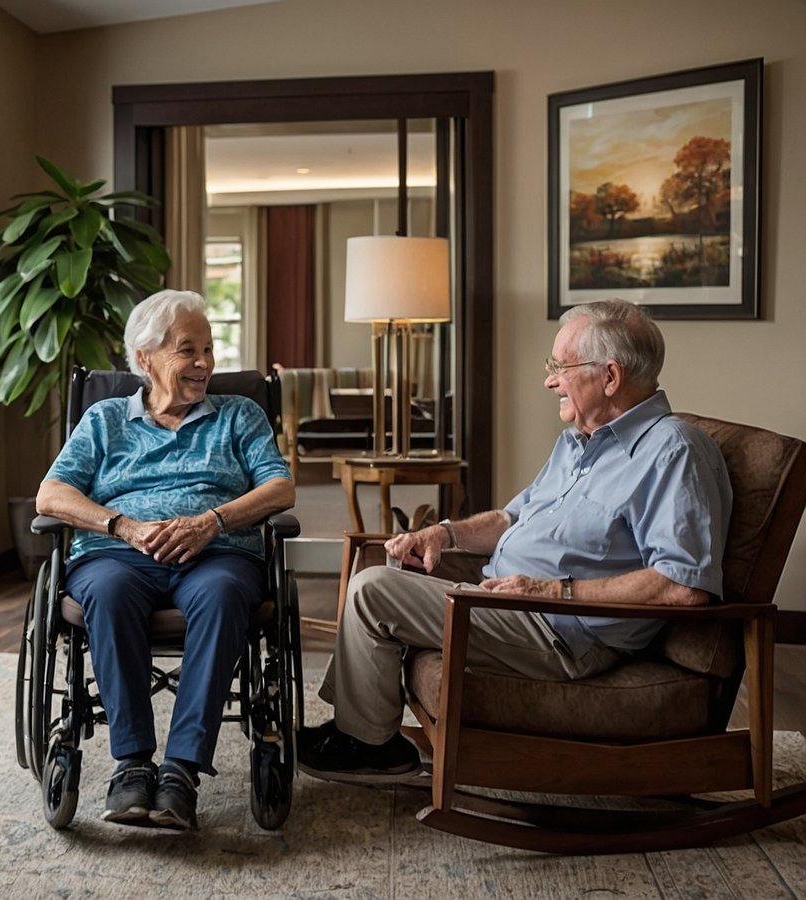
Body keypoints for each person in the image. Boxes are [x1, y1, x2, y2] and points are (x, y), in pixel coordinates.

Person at [297, 298, 733, 783]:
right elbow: (512, 518)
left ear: (610, 376)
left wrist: (553, 591)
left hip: (562, 632)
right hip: (508, 604)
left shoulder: (673, 452)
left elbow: (683, 585)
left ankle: (369, 748)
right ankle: (361, 730)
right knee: (379, 569)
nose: (550, 381)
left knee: (373, 590)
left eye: (561, 367)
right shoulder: (579, 444)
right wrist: (444, 532)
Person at [36, 289, 294, 829]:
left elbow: (280, 487)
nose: (204, 363)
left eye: (208, 349)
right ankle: (132, 766)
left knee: (223, 595)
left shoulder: (239, 416)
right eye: (188, 350)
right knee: (107, 593)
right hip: (117, 557)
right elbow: (51, 494)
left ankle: (180, 772)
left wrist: (211, 522)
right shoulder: (105, 419)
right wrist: (123, 527)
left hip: (217, 556)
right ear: (146, 357)